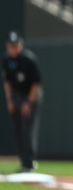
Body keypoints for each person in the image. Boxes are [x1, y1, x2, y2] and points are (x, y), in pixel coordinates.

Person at [2, 31, 43, 173]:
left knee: (28, 130)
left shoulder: (28, 59)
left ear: (20, 45)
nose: (12, 48)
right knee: (18, 130)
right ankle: (23, 161)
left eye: (15, 45)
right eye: (10, 45)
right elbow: (7, 82)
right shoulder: (7, 60)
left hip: (31, 96)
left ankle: (30, 162)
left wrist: (29, 103)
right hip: (17, 96)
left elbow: (36, 84)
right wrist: (9, 101)